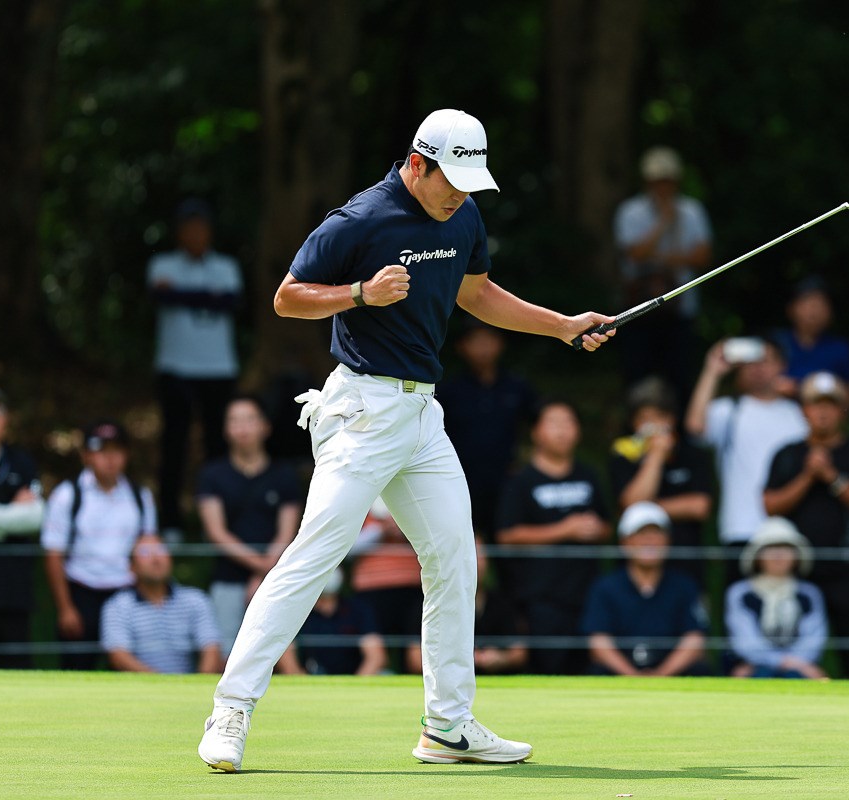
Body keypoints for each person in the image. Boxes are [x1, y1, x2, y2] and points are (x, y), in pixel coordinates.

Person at [199, 108, 614, 771]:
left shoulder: (464, 214)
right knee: (314, 556)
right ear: (417, 164)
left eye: (470, 184)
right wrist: (360, 293)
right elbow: (287, 297)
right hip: (361, 411)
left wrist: (562, 325)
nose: (460, 195)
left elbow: (478, 294)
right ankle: (231, 708)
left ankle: (447, 726)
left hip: (422, 415)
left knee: (455, 559)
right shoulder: (361, 219)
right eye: (451, 180)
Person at [763, 372, 849, 679]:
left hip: (848, 572)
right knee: (791, 655)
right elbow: (770, 506)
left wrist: (831, 477)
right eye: (816, 404)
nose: (823, 412)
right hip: (796, 573)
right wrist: (807, 476)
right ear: (804, 410)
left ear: (842, 410)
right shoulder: (787, 454)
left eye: (830, 404)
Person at [147, 198, 244, 539]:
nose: (195, 234)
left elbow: (231, 302)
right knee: (174, 446)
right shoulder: (162, 264)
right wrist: (208, 297)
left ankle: (216, 524)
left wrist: (182, 294)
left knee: (219, 447)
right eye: (189, 227)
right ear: (179, 232)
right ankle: (171, 522)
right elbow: (162, 297)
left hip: (219, 368)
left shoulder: (226, 266)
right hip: (175, 368)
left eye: (200, 227)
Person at [495, 400, 612, 675]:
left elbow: (607, 526)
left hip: (587, 592)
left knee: (586, 673)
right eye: (554, 423)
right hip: (541, 597)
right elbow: (507, 535)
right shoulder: (520, 481)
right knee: (548, 672)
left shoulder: (589, 475)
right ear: (536, 432)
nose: (562, 430)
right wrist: (565, 529)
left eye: (569, 422)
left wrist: (595, 529)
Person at [42, 420, 157, 670]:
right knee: (77, 670)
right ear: (86, 456)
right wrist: (65, 607)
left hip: (126, 593)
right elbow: (53, 555)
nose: (110, 458)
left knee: (128, 671)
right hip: (82, 592)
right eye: (101, 451)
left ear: (126, 455)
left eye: (116, 450)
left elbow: (147, 547)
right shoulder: (67, 494)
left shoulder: (140, 496)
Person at [196, 395, 302, 655]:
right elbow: (216, 532)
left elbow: (287, 532)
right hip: (228, 580)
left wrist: (266, 576)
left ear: (265, 426)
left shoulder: (284, 475)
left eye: (249, 420)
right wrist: (262, 568)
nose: (242, 428)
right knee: (227, 655)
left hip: (278, 580)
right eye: (234, 421)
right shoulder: (211, 475)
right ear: (225, 429)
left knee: (281, 653)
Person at [686, 338, 808, 559]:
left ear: (782, 365)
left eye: (765, 360)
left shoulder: (799, 414)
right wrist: (712, 371)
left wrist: (799, 392)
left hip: (791, 529)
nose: (757, 368)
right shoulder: (729, 410)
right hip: (740, 527)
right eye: (750, 362)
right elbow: (695, 427)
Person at [613, 146, 712, 398]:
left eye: (667, 180)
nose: (663, 187)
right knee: (636, 373)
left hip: (681, 309)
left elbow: (702, 257)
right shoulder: (630, 211)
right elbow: (633, 254)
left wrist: (656, 257)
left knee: (680, 376)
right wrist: (664, 222)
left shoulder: (692, 211)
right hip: (638, 308)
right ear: (647, 182)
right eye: (657, 181)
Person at [434, 318, 537, 538]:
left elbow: (537, 425)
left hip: (507, 480)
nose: (483, 348)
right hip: (460, 479)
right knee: (463, 539)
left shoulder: (517, 387)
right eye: (475, 341)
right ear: (462, 347)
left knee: (507, 539)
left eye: (489, 340)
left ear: (501, 344)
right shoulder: (449, 391)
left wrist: (527, 463)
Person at [582, 502, 709, 677]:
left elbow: (695, 639)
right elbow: (598, 643)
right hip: (619, 673)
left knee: (700, 671)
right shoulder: (605, 588)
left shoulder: (684, 585)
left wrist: (661, 675)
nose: (650, 540)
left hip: (673, 673)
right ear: (625, 542)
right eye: (641, 533)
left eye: (656, 533)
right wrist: (632, 676)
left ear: (668, 540)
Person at [608, 377, 713, 585]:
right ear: (633, 423)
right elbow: (631, 505)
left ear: (672, 420)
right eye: (644, 419)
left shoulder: (693, 454)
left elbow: (700, 507)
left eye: (659, 417)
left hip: (686, 570)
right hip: (634, 578)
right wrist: (656, 456)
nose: (653, 426)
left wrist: (646, 507)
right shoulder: (622, 456)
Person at [0, 383, 45, 669]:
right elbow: (21, 519)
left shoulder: (22, 461)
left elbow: (35, 518)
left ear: (6, 418)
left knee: (16, 669)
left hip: (13, 589)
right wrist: (12, 516)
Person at [100, 534, 221, 674]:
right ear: (131, 566)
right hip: (141, 685)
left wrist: (200, 682)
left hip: (189, 684)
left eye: (160, 549)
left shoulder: (196, 600)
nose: (155, 558)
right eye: (145, 552)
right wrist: (162, 682)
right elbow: (119, 656)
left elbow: (211, 647)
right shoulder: (118, 606)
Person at [724, 517, 828, 679]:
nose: (778, 555)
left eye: (786, 548)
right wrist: (783, 662)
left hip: (800, 668)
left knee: (796, 678)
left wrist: (797, 665)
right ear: (757, 556)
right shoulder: (741, 593)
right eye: (771, 548)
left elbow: (814, 639)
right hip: (757, 667)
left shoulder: (808, 594)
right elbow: (745, 642)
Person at [349, 498, 423, 674]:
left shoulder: (415, 501)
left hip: (412, 587)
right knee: (376, 648)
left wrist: (406, 529)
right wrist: (380, 530)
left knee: (413, 649)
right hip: (370, 589)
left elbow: (433, 541)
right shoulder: (359, 501)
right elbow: (346, 547)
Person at [766, 275, 849, 396]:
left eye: (821, 304)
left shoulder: (840, 348)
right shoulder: (775, 342)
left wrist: (802, 390)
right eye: (807, 303)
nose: (814, 311)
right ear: (791, 309)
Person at [293, 567, 385, 676]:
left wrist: (355, 685)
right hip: (310, 680)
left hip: (354, 678)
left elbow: (376, 657)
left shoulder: (358, 610)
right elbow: (286, 653)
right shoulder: (298, 612)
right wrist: (302, 683)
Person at [472, 535, 528, 675]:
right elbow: (419, 658)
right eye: (470, 555)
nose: (476, 563)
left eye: (480, 556)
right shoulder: (439, 604)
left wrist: (501, 658)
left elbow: (520, 653)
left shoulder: (500, 603)